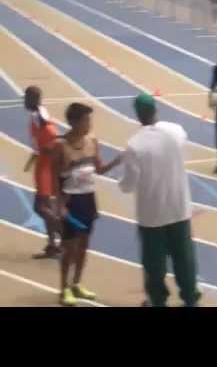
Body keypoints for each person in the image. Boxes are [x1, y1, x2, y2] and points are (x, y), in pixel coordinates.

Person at [118, 94, 200, 307]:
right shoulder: (176, 132)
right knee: (184, 259)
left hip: (152, 216)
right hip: (179, 208)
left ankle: (158, 301)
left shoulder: (134, 145)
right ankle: (190, 299)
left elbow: (128, 185)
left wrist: (120, 180)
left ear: (137, 114)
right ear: (156, 109)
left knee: (154, 265)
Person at [53, 103, 120, 306]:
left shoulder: (92, 142)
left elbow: (99, 170)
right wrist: (60, 206)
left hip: (88, 199)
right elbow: (56, 178)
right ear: (73, 122)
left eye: (89, 120)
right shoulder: (60, 145)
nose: (88, 124)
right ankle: (64, 288)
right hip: (71, 201)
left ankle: (77, 284)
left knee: (83, 245)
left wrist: (118, 160)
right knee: (69, 247)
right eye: (85, 120)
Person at [23, 86, 61, 259]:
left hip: (46, 167)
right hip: (44, 165)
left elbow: (52, 137)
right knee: (46, 207)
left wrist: (44, 151)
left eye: (26, 97)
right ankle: (53, 245)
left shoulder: (39, 117)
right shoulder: (39, 114)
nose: (24, 100)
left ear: (33, 99)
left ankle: (64, 233)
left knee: (40, 207)